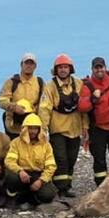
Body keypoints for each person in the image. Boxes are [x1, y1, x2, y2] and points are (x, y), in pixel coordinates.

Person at [39, 54, 89, 197]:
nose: (63, 70)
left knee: (72, 158)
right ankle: (60, 188)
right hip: (58, 129)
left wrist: (85, 127)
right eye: (60, 67)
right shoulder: (50, 87)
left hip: (74, 129)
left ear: (70, 69)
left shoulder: (79, 84)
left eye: (65, 67)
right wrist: (43, 129)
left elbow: (84, 107)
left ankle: (67, 186)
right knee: (60, 159)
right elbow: (44, 108)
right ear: (56, 70)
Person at [79, 57, 109, 186]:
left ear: (105, 67)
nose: (99, 70)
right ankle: (101, 185)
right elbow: (82, 106)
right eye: (96, 67)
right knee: (99, 159)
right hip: (98, 128)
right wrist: (93, 98)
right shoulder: (87, 85)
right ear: (92, 69)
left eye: (101, 67)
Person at [4, 114, 57, 209]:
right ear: (25, 129)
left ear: (39, 130)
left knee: (48, 194)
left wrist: (41, 181)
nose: (33, 131)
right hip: (22, 174)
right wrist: (20, 171)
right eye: (30, 128)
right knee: (11, 178)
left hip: (38, 175)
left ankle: (30, 199)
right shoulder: (16, 143)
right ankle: (13, 198)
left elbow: (51, 166)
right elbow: (9, 161)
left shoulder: (46, 145)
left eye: (35, 128)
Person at [0, 53, 45, 140]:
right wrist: (14, 107)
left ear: (35, 66)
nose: (29, 66)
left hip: (32, 126)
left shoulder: (40, 82)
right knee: (14, 149)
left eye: (31, 63)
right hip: (14, 126)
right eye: (26, 63)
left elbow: (45, 103)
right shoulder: (11, 82)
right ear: (21, 65)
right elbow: (1, 101)